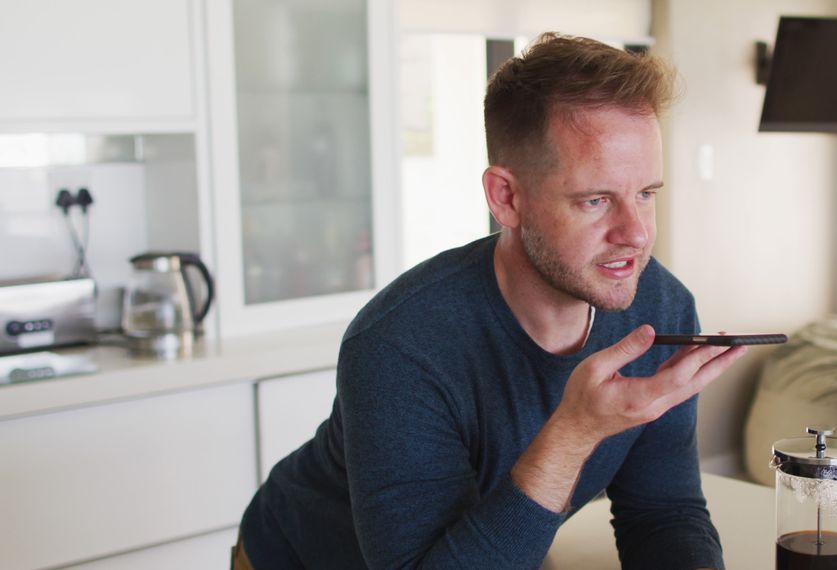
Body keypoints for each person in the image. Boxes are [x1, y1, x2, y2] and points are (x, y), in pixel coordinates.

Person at [233, 32, 746, 570]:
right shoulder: (399, 345)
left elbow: (663, 514)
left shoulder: (661, 310)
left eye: (646, 194)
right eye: (595, 200)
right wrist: (574, 432)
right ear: (507, 197)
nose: (637, 234)